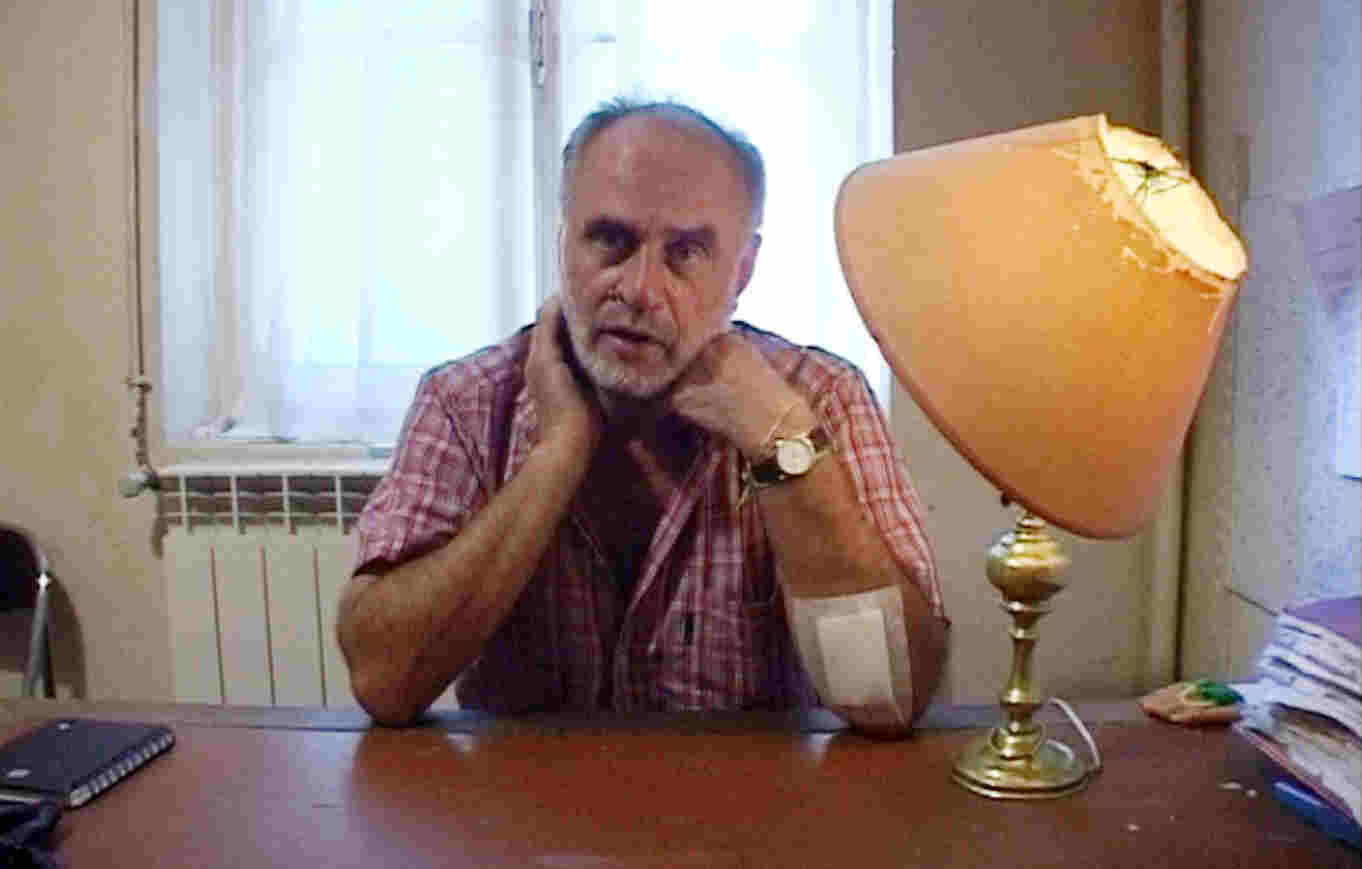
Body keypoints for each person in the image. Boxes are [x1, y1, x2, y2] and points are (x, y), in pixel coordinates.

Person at [337, 98, 947, 736]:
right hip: (521, 797)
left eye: (685, 252)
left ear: (741, 272)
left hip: (751, 797)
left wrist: (786, 446)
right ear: (563, 243)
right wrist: (557, 455)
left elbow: (889, 698)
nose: (639, 289)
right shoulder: (467, 402)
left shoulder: (819, 397)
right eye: (611, 240)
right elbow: (386, 680)